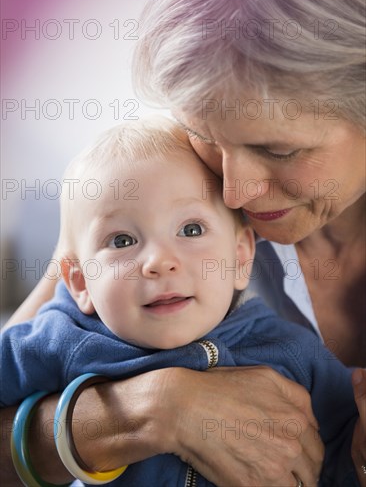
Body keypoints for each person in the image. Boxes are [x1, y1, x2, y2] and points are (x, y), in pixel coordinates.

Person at [1, 0, 365, 485]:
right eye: (203, 134)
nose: (235, 191)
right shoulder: (148, 194)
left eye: (279, 150)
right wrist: (152, 409)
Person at [0, 117, 361, 486]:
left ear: (240, 258)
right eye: (122, 240)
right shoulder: (64, 337)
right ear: (80, 281)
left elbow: (342, 449)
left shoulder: (291, 350)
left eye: (191, 230)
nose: (159, 261)